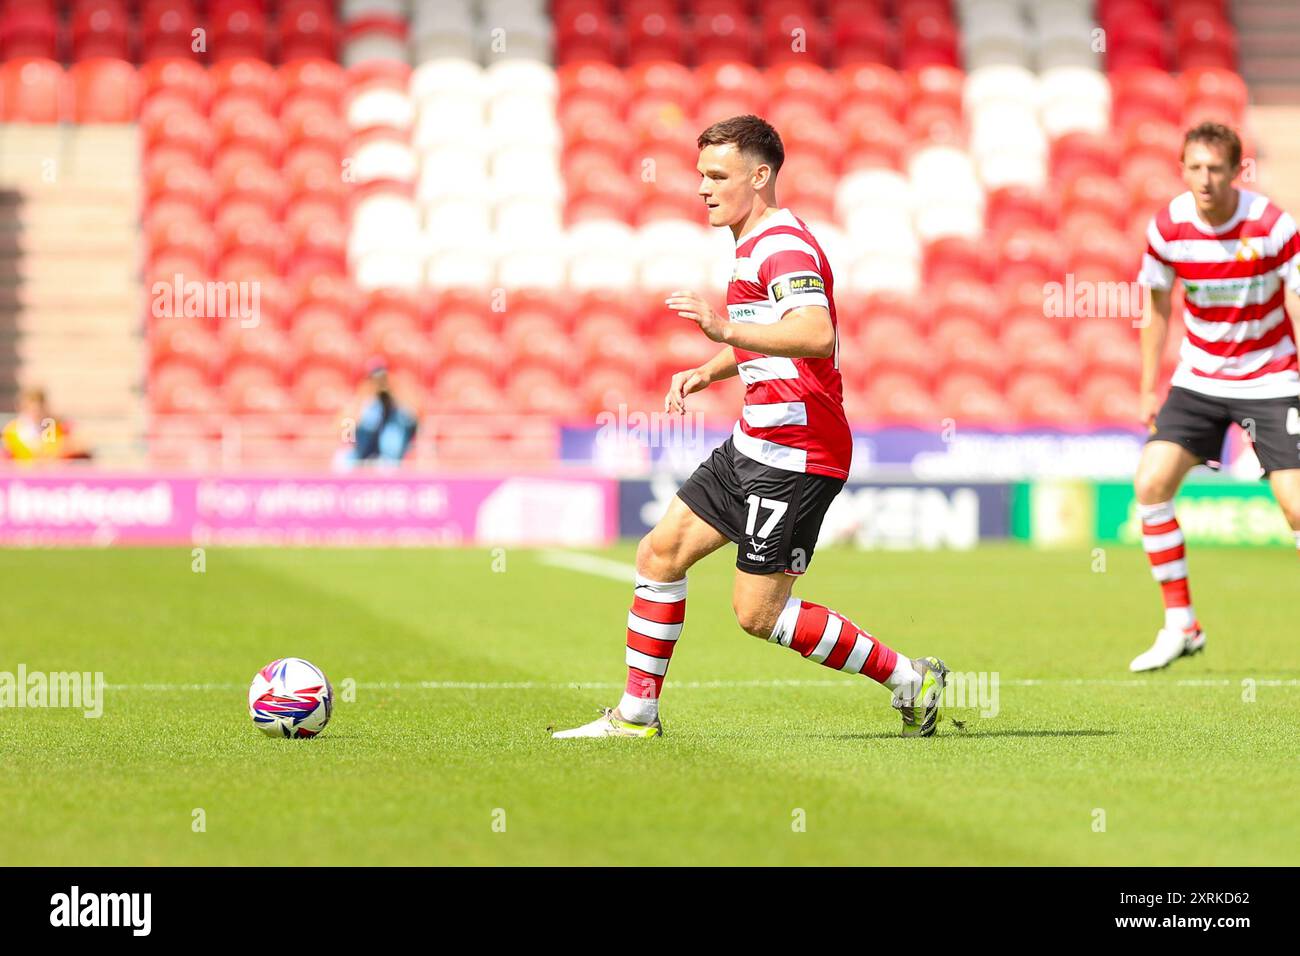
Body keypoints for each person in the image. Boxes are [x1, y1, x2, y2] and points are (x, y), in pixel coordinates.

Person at [553, 115, 948, 739]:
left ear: (760, 176)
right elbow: (773, 333)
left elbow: (814, 332)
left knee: (757, 615)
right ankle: (636, 715)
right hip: (753, 441)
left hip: (796, 452)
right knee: (660, 553)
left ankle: (909, 678)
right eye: (701, 175)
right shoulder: (750, 243)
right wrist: (712, 369)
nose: (704, 188)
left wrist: (724, 329)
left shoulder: (780, 245)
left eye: (719, 176)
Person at [1129, 122, 1300, 672]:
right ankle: (1182, 624)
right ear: (1182, 168)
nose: (1205, 179)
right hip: (1199, 381)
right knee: (1150, 483)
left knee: (1296, 508)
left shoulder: (1271, 226)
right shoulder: (1167, 228)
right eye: (1195, 167)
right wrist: (1147, 386)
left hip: (1271, 377)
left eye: (1216, 168)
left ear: (1236, 171)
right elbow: (1155, 308)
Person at [333, 364, 418, 470]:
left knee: (393, 433)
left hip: (388, 457)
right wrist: (364, 395)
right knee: (342, 459)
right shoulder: (362, 403)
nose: (379, 384)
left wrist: (394, 391)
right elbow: (344, 428)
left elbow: (414, 417)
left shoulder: (397, 405)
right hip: (361, 453)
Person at [1, 387, 87, 461]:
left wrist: (65, 447)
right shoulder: (12, 431)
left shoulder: (58, 426)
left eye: (38, 409)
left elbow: (80, 444)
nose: (35, 413)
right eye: (31, 409)